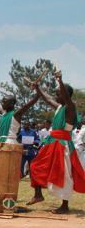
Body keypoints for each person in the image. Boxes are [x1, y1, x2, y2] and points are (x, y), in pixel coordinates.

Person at [27, 71, 85, 213]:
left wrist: (60, 80)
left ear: (65, 95)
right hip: (52, 143)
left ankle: (65, 205)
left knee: (64, 174)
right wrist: (37, 88)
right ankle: (38, 195)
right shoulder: (60, 107)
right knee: (35, 165)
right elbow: (47, 98)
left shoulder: (70, 108)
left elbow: (65, 96)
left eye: (58, 93)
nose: (55, 96)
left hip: (63, 145)